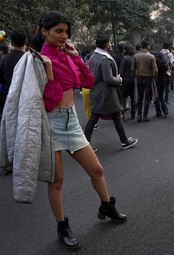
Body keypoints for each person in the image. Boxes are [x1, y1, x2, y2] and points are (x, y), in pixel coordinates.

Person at [31, 11, 127, 250]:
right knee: (56, 181)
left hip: (71, 120)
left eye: (66, 31)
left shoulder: (66, 54)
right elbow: (49, 100)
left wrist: (76, 58)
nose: (64, 36)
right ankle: (62, 226)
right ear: (44, 31)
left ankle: (106, 205)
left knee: (97, 169)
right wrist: (50, 72)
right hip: (51, 121)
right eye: (58, 31)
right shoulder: (39, 60)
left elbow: (87, 81)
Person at [84, 35, 138, 150]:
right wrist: (119, 79)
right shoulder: (105, 59)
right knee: (113, 115)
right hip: (106, 93)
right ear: (106, 44)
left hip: (95, 90)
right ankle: (124, 141)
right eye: (109, 42)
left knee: (95, 117)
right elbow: (108, 78)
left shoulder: (93, 56)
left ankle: (86, 144)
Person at [0, 29, 27, 120]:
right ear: (26, 41)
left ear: (11, 42)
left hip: (9, 98)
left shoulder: (4, 60)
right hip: (26, 99)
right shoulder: (30, 59)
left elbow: (2, 80)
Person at [132, 40, 158, 122]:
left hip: (139, 78)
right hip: (148, 78)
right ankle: (145, 116)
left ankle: (139, 115)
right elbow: (155, 70)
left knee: (139, 97)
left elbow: (133, 68)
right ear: (147, 46)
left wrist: (136, 73)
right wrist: (154, 77)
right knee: (147, 97)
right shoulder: (151, 57)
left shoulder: (136, 56)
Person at [120, 43, 136, 119]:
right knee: (133, 97)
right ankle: (133, 113)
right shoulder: (135, 57)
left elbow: (122, 71)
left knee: (123, 98)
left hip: (126, 80)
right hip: (134, 80)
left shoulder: (125, 58)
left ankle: (122, 114)